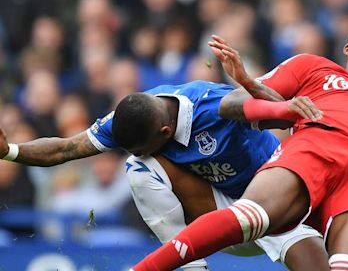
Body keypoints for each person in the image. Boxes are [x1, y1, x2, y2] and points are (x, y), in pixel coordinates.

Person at [130, 21, 348, 271]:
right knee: (248, 217)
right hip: (313, 150)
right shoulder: (314, 69)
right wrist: (249, 84)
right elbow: (231, 106)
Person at [0, 80, 329, 271]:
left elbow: (259, 109)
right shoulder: (130, 119)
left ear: (166, 130)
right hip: (216, 216)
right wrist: (9, 151)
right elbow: (66, 150)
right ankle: (191, 266)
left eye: (144, 146)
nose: (139, 151)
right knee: (138, 168)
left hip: (276, 207)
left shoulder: (213, 106)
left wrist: (283, 105)